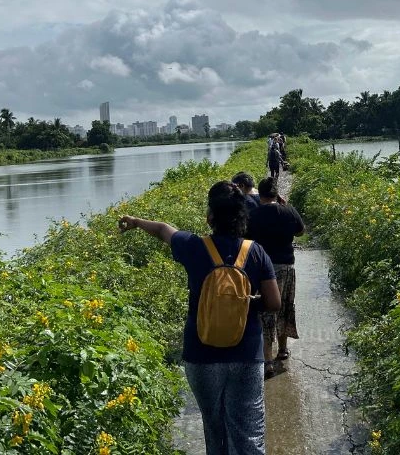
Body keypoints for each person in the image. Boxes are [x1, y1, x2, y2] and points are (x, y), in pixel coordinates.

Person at [119, 181, 281, 455]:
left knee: (214, 425)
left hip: (201, 352)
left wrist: (134, 221)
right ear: (243, 216)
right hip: (246, 352)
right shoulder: (255, 252)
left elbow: (161, 229)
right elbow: (274, 303)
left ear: (210, 216)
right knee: (248, 429)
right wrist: (246, 303)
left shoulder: (193, 246)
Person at [247, 176, 305, 377]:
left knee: (266, 311)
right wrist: (287, 205)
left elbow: (246, 241)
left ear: (260, 195)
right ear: (276, 193)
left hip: (264, 271)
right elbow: (300, 231)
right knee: (286, 306)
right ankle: (283, 349)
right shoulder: (287, 210)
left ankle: (267, 361)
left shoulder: (253, 215)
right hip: (288, 267)